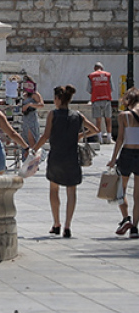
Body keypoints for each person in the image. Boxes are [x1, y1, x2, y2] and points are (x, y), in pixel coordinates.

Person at [31, 85, 100, 238]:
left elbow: (45, 136)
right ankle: (68, 226)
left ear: (57, 99)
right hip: (71, 157)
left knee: (54, 189)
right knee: (71, 191)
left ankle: (56, 223)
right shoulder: (78, 115)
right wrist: (81, 136)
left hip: (56, 156)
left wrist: (34, 149)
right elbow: (95, 129)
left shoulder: (53, 115)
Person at [107, 87, 139, 239]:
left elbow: (119, 139)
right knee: (137, 195)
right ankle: (134, 228)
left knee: (121, 190)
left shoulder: (124, 116)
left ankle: (126, 218)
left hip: (127, 153)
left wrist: (113, 159)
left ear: (128, 100)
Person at [88, 62, 114, 144]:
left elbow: (89, 89)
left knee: (98, 120)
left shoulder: (91, 76)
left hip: (96, 100)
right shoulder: (108, 75)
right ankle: (109, 138)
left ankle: (100, 139)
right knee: (108, 119)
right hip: (107, 99)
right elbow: (111, 88)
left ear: (95, 68)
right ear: (102, 68)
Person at [19, 81, 45, 159]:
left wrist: (29, 105)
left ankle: (34, 159)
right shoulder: (22, 94)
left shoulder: (34, 94)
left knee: (32, 139)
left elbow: (41, 104)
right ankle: (28, 159)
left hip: (31, 117)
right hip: (23, 118)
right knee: (25, 139)